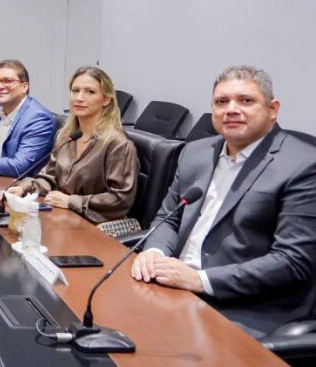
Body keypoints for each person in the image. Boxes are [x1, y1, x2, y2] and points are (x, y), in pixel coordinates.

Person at [131, 66, 316, 336]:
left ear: (273, 109)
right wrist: (154, 253)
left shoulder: (302, 165)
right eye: (221, 102)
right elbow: (168, 219)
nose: (231, 109)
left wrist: (200, 280)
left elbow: (291, 261)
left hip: (243, 308)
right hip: (172, 288)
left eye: (246, 101)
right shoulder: (195, 152)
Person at [2, 66, 138, 224]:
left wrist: (71, 201)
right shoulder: (67, 136)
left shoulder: (118, 144)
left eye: (90, 92)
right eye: (75, 90)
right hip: (61, 216)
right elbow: (50, 178)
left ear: (106, 100)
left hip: (94, 225)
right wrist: (23, 188)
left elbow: (121, 199)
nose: (79, 98)